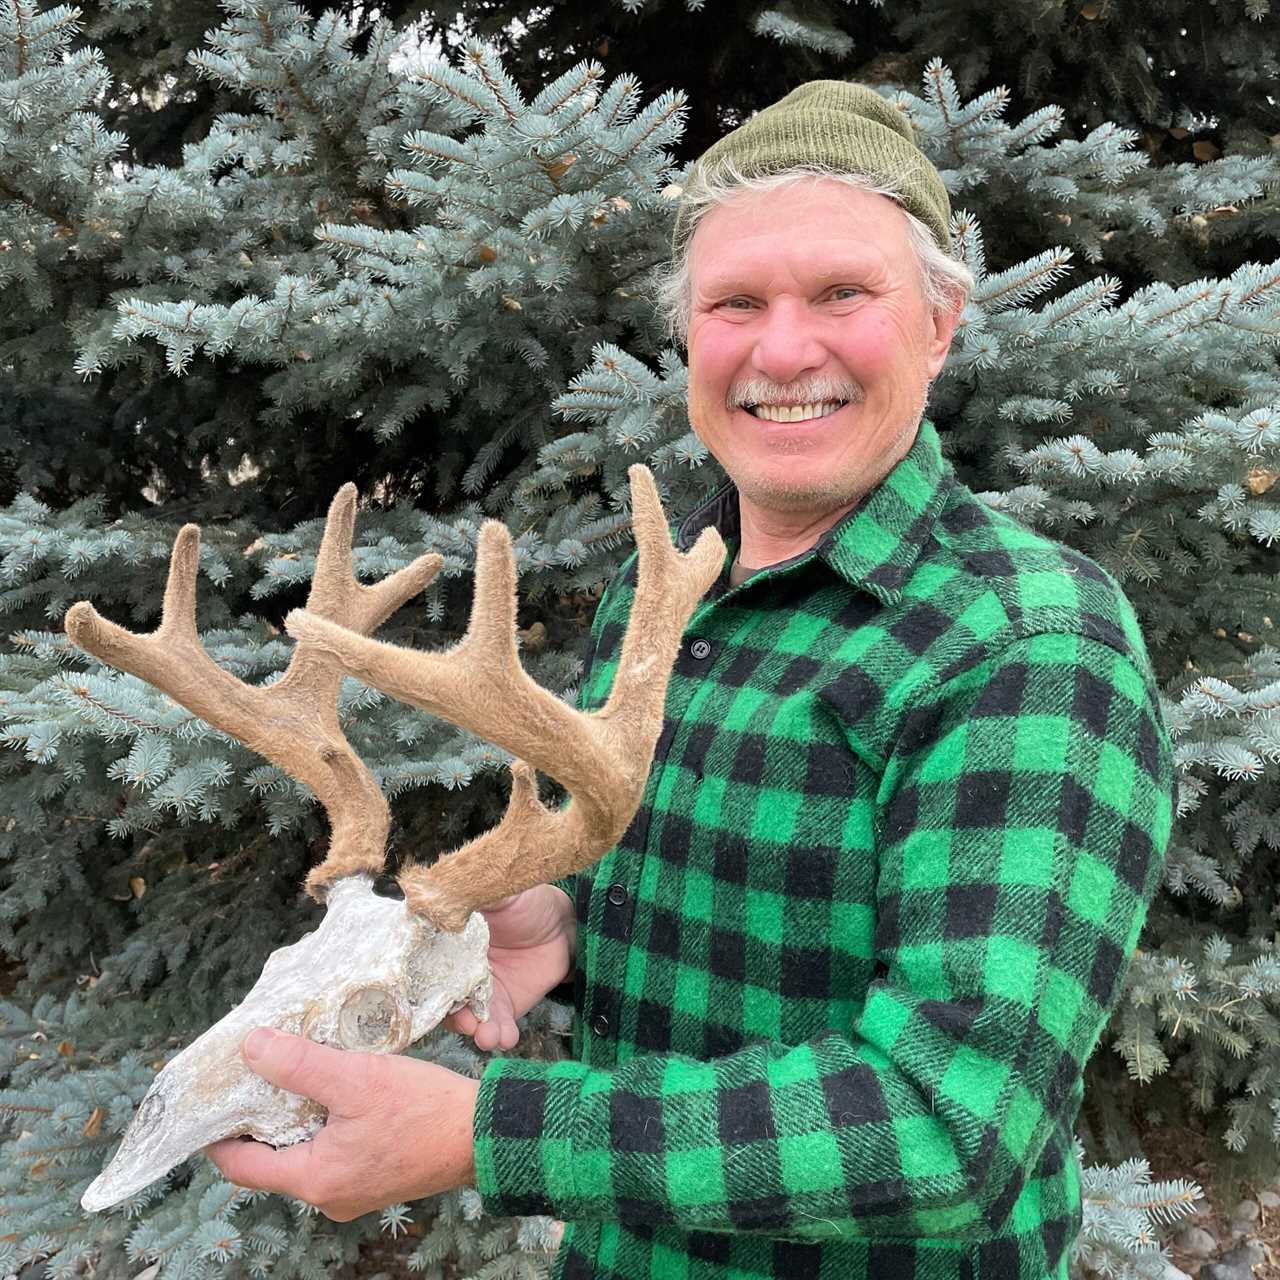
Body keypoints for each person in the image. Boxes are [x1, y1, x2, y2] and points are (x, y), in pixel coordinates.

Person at [207, 81, 1176, 1280]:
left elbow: (946, 1124)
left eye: (840, 293)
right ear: (689, 337)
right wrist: (555, 926)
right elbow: (729, 944)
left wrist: (482, 1133)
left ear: (938, 321)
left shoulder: (1026, 643)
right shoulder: (663, 597)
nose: (782, 350)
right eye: (734, 303)